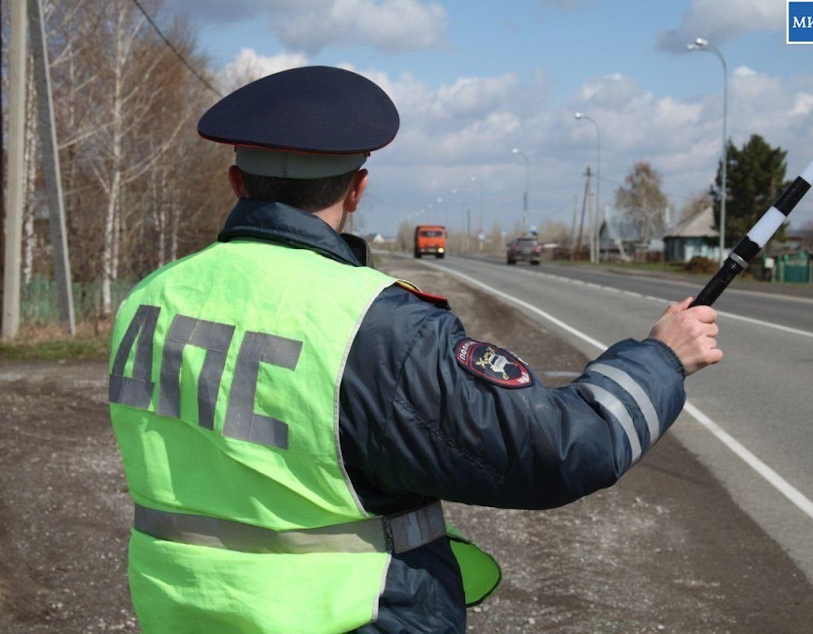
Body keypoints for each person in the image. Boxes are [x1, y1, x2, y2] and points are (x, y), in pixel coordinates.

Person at [108, 65, 722, 634]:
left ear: (238, 181)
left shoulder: (149, 298)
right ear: (357, 189)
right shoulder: (377, 326)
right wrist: (662, 358)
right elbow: (559, 448)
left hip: (183, 614)